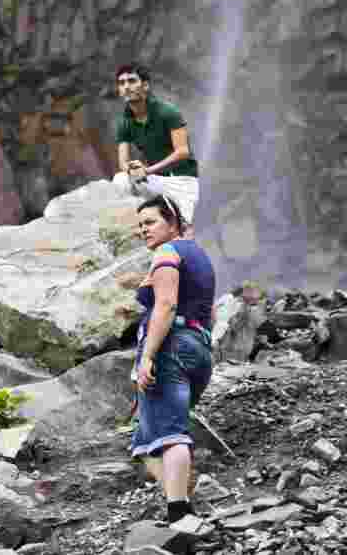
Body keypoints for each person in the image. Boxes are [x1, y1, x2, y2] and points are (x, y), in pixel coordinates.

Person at [131, 194, 214, 524]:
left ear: (173, 222)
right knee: (149, 439)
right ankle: (181, 497)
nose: (143, 230)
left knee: (170, 433)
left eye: (150, 222)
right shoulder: (199, 256)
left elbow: (165, 305)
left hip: (170, 348)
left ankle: (180, 514)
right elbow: (208, 312)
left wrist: (147, 356)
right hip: (198, 347)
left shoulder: (167, 252)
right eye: (139, 225)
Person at [112, 64, 200, 228]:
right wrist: (133, 168)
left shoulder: (167, 111)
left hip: (182, 182)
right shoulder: (124, 122)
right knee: (121, 179)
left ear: (145, 85)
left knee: (182, 230)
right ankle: (137, 225)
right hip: (154, 180)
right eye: (122, 83)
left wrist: (148, 170)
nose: (126, 87)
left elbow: (182, 152)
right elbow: (122, 163)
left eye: (132, 81)